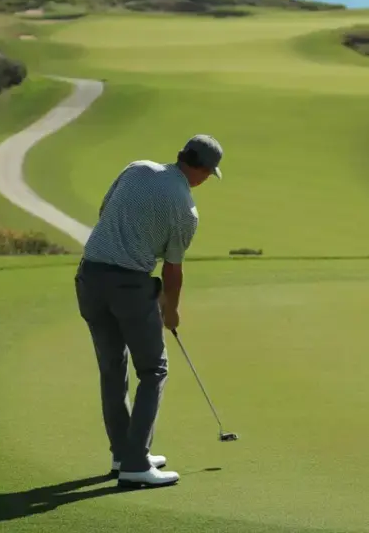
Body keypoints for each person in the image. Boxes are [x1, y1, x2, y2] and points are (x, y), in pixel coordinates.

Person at [74, 134, 224, 488]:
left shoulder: (137, 168)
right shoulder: (186, 210)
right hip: (129, 286)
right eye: (208, 173)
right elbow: (172, 269)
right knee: (154, 370)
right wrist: (170, 311)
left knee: (112, 368)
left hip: (89, 277)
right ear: (201, 170)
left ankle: (123, 452)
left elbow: (104, 211)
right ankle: (136, 463)